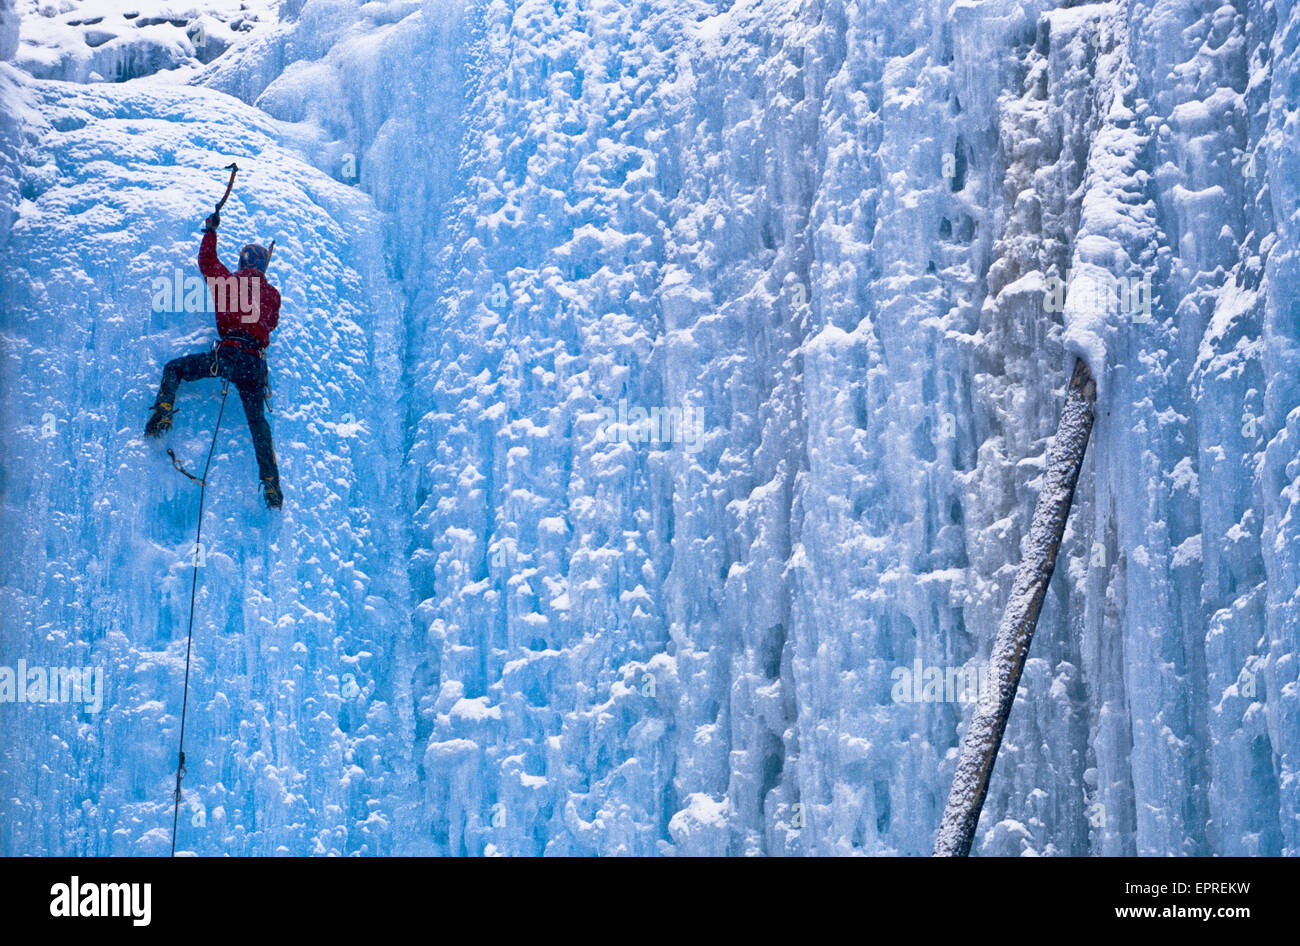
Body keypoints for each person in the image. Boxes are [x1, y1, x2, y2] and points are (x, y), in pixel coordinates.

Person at [145, 211, 283, 509]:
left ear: (242, 264)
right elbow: (270, 324)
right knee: (258, 422)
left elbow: (207, 262)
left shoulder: (228, 283)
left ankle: (163, 411)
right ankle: (271, 482)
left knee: (176, 369)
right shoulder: (272, 294)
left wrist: (211, 230)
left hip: (228, 355)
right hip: (254, 364)